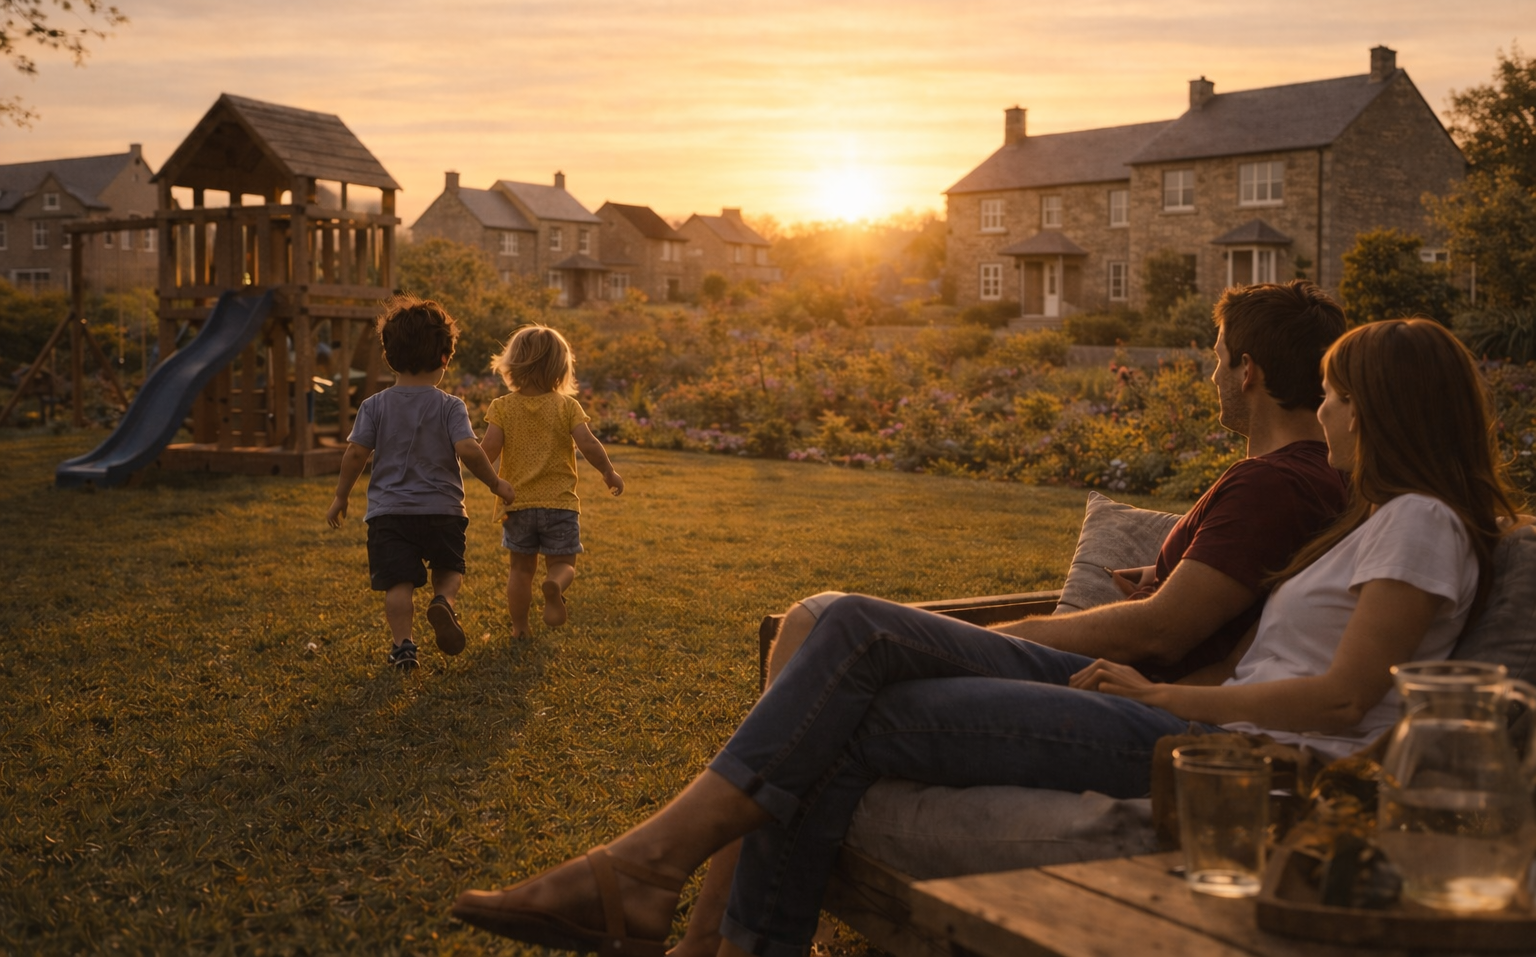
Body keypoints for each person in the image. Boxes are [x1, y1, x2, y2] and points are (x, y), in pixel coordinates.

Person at [450, 317, 1519, 957]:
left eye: (1334, 397)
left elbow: (1341, 701)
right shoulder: (1378, 522)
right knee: (854, 688)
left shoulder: (1423, 520)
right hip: (1202, 731)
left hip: (1241, 764)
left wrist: (1167, 701)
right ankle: (662, 893)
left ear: (1379, 409)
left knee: (856, 648)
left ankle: (644, 876)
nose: (1323, 416)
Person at [665, 279, 1349, 957]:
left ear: (1248, 371)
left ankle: (691, 915)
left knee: (833, 626)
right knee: (822, 629)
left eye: (1217, 354)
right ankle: (707, 932)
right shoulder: (1305, 477)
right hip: (1131, 686)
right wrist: (1171, 572)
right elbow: (1225, 596)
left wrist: (1020, 634)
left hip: (1122, 691)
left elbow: (1160, 631)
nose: (1210, 371)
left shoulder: (1274, 481)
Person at [326, 295, 516, 671]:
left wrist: (340, 496)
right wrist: (496, 483)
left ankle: (403, 647)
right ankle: (443, 601)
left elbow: (354, 455)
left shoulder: (374, 405)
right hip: (443, 510)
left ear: (389, 356)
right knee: (449, 569)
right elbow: (470, 451)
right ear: (445, 357)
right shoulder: (449, 406)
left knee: (398, 583)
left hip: (389, 514)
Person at [481, 324, 624, 638]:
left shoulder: (502, 407)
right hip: (559, 503)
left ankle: (520, 629)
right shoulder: (567, 406)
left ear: (512, 365)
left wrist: (486, 479)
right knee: (563, 563)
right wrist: (608, 472)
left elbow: (486, 451)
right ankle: (555, 584)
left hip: (517, 503)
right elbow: (588, 445)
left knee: (519, 570)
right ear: (561, 369)